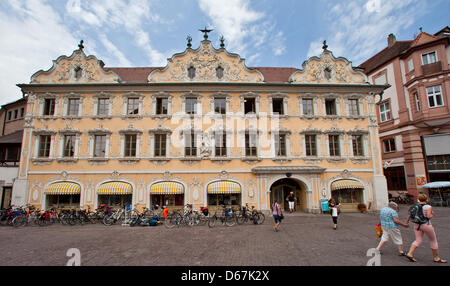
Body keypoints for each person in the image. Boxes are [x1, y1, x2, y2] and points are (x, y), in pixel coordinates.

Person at [405, 194, 447, 263]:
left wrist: (407, 222)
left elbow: (410, 215)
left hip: (416, 225)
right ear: (426, 199)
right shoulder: (428, 206)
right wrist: (432, 214)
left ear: (419, 199)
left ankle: (410, 253)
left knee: (418, 240)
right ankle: (436, 258)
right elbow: (429, 216)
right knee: (433, 240)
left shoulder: (415, 206)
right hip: (426, 225)